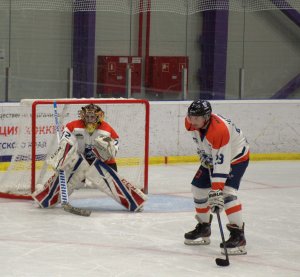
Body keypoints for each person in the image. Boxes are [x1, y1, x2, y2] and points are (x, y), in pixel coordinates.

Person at [32, 103, 146, 212]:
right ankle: (46, 198)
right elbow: (65, 144)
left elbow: (113, 149)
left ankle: (135, 202)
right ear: (82, 115)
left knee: (114, 184)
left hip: (103, 163)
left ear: (99, 117)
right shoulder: (73, 126)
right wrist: (61, 157)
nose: (90, 119)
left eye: (93, 116)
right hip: (81, 162)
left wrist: (106, 149)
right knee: (70, 164)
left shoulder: (106, 130)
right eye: (87, 116)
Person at [184, 100, 249, 255]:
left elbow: (222, 164)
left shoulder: (219, 130)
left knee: (226, 193)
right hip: (212, 157)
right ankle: (204, 228)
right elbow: (201, 140)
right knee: (198, 189)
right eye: (191, 117)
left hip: (235, 157)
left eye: (196, 118)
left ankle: (238, 235)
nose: (192, 121)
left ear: (206, 117)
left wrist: (216, 191)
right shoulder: (189, 122)